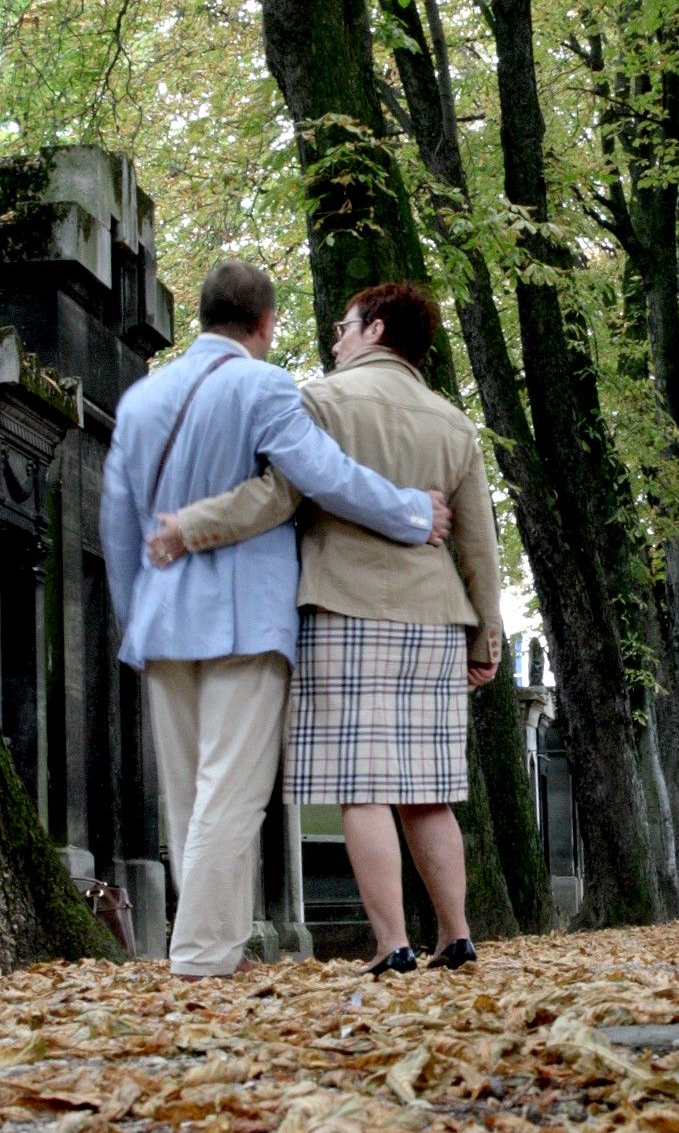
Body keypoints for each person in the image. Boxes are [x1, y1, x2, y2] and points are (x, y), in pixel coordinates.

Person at [100, 261, 452, 981]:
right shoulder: (264, 386)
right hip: (246, 623)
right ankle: (198, 957)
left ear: (203, 316)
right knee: (229, 793)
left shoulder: (141, 398)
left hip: (162, 620)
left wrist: (134, 617)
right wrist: (414, 512)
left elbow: (115, 522)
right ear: (264, 324)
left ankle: (215, 944)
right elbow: (323, 474)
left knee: (188, 797)